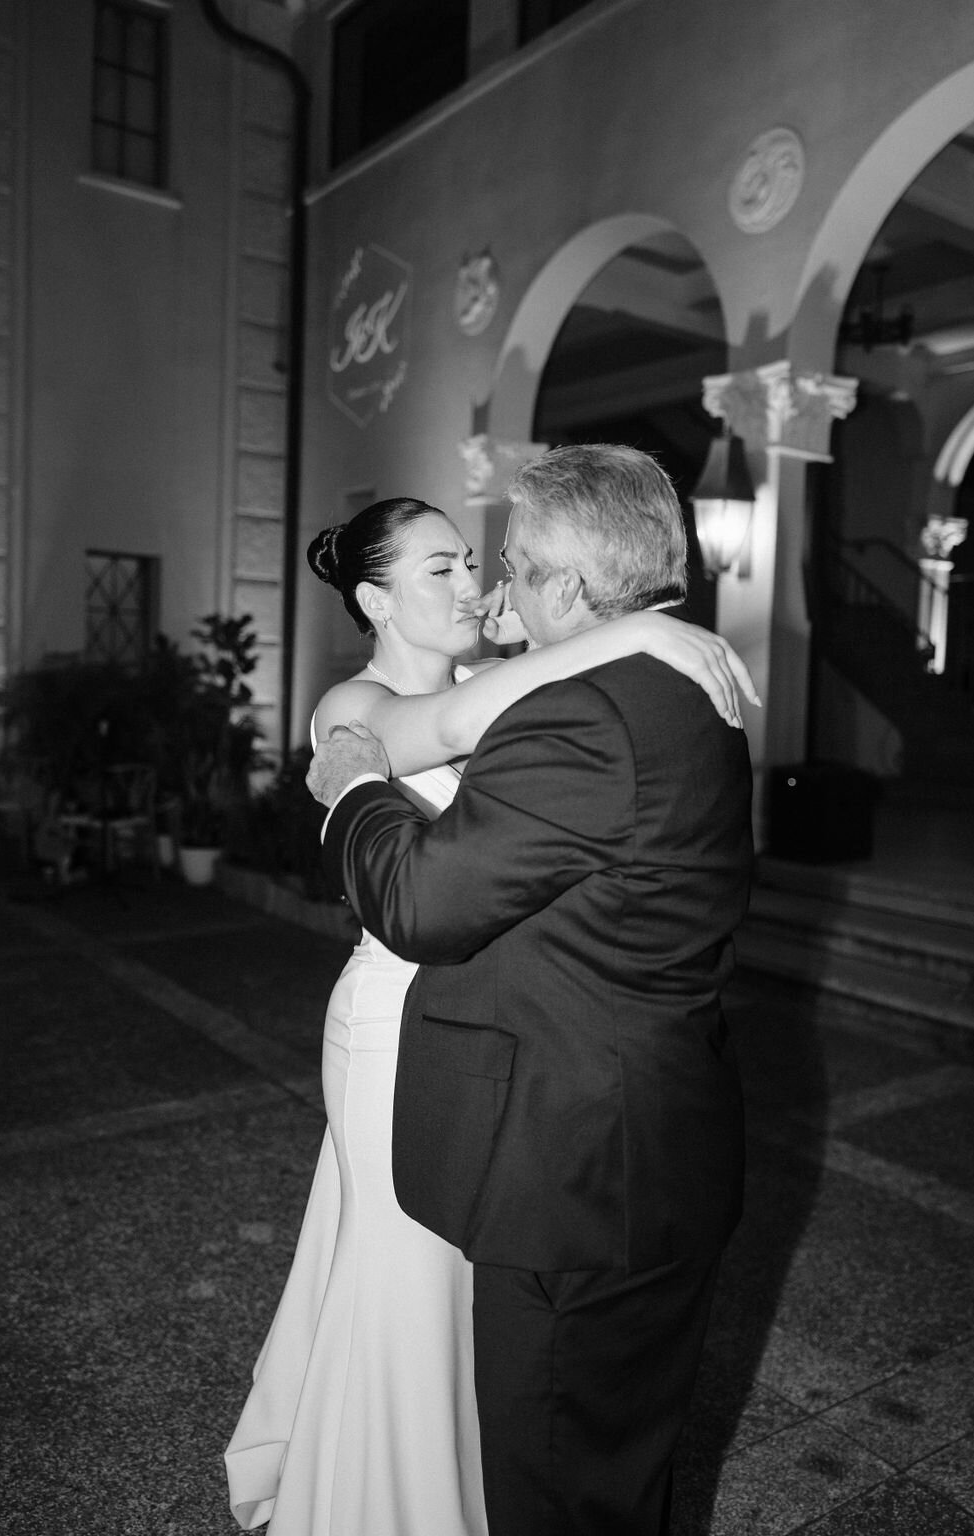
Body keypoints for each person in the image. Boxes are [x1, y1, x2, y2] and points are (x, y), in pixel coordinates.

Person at [224, 488, 757, 1536]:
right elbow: (457, 733)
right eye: (441, 570)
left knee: (482, 1299)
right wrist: (648, 628)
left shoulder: (505, 686)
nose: (473, 584)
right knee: (401, 1282)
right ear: (374, 600)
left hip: (518, 1049)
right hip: (395, 1024)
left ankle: (487, 1487)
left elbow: (529, 718)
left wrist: (618, 633)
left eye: (477, 561)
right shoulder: (353, 706)